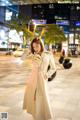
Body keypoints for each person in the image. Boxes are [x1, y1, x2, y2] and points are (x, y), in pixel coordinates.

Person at [23, 37, 56, 120]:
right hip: (33, 78)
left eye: (37, 46)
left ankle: (43, 115)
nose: (35, 49)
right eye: (33, 47)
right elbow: (22, 58)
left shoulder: (48, 54)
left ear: (41, 45)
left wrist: (47, 75)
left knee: (42, 96)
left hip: (42, 78)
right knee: (33, 97)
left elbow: (53, 68)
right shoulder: (33, 55)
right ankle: (35, 115)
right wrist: (28, 50)